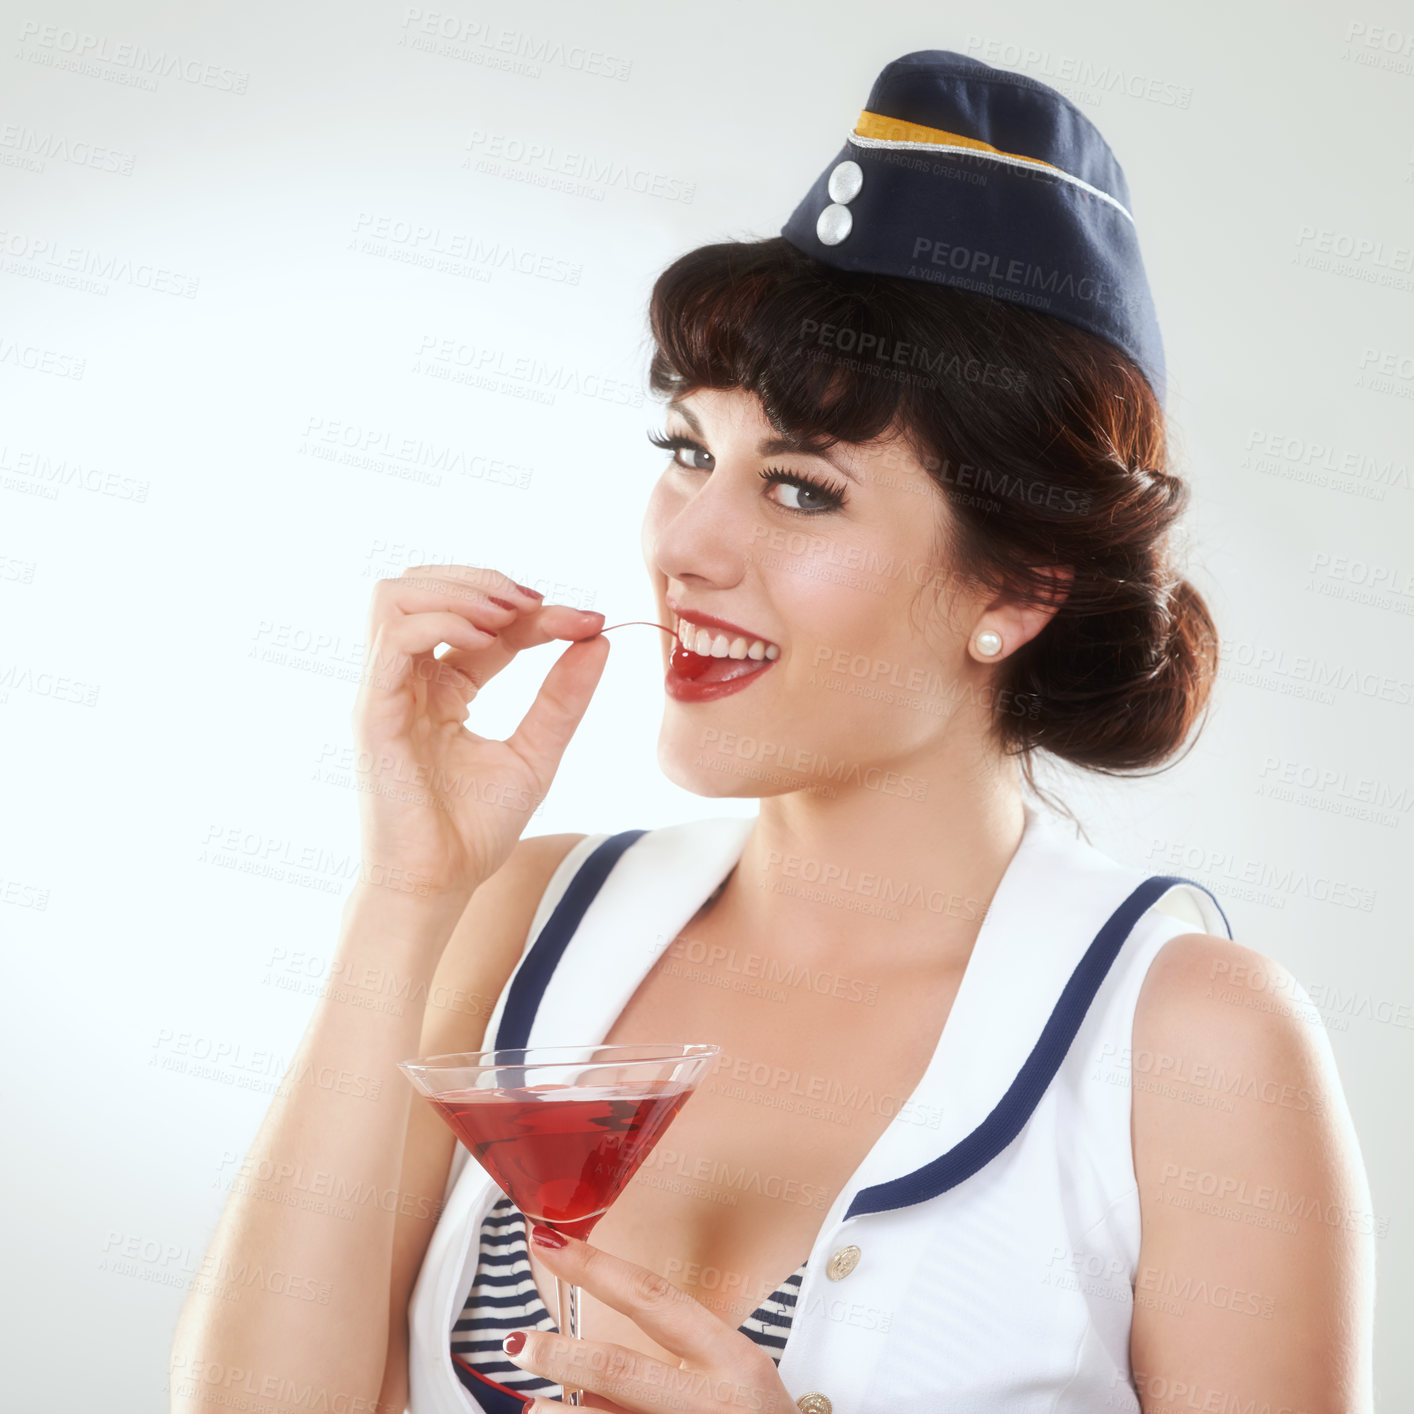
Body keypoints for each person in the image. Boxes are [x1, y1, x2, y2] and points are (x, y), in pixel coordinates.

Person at [171, 49, 1374, 1414]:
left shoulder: (1192, 1038)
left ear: (1018, 587)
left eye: (800, 492)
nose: (687, 545)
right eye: (687, 452)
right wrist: (408, 890)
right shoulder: (513, 917)